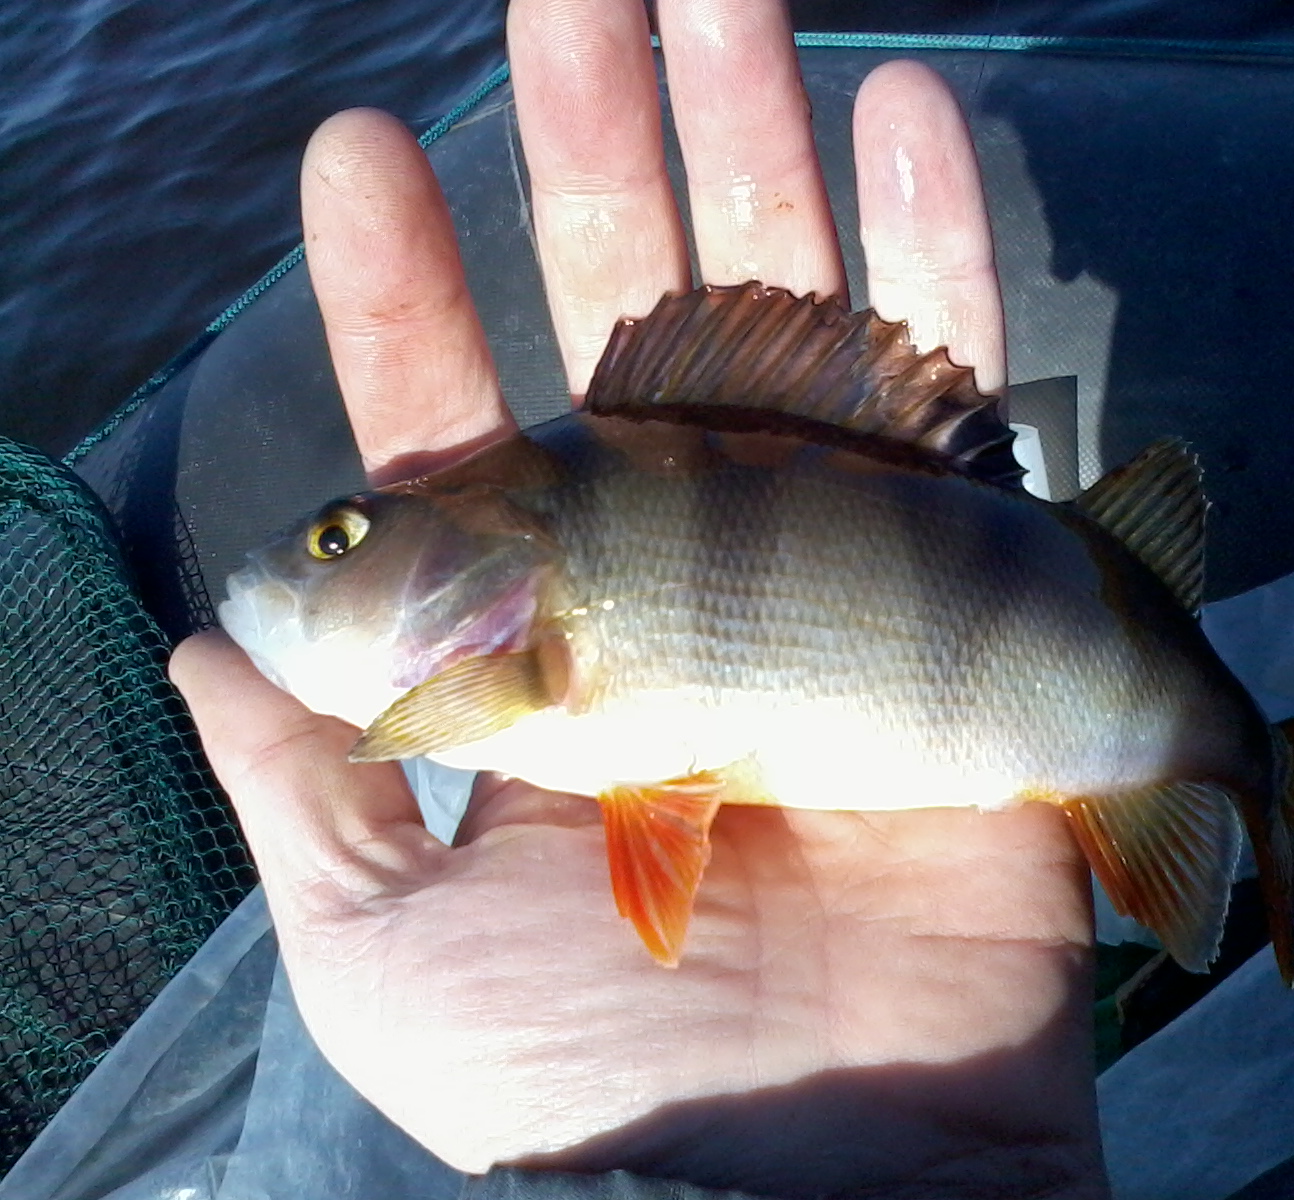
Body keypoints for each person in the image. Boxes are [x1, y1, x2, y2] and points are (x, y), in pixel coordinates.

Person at [169, 0, 1110, 1195]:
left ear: (499, 555)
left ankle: (1223, 753)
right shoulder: (506, 675)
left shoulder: (513, 672)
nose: (299, 564)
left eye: (337, 539)